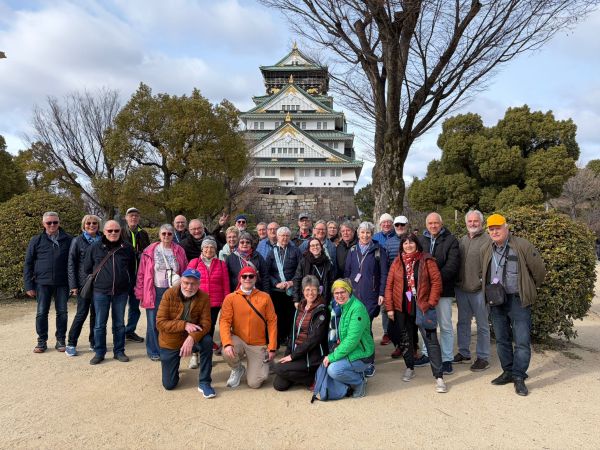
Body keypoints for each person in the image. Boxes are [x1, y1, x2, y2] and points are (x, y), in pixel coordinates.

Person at [482, 214, 546, 396]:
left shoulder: (522, 245)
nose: (495, 232)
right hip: (496, 300)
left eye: (498, 228)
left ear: (506, 227)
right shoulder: (487, 248)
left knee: (522, 341)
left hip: (518, 299)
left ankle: (519, 376)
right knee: (501, 338)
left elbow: (539, 271)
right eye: (491, 229)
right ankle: (508, 371)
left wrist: (528, 288)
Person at [384, 234, 447, 393]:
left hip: (422, 306)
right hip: (402, 308)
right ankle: (410, 367)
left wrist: (431, 302)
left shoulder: (427, 260)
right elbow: (389, 286)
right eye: (405, 243)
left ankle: (439, 376)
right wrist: (390, 307)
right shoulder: (397, 262)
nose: (408, 245)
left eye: (411, 242)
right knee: (406, 340)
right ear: (402, 246)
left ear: (417, 244)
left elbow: (436, 282)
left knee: (431, 340)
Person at [155, 268, 215, 398]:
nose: (189, 287)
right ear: (181, 282)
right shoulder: (169, 294)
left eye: (193, 284)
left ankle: (204, 382)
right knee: (169, 385)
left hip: (191, 337)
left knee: (207, 341)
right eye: (186, 283)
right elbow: (160, 322)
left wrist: (192, 338)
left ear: (199, 284)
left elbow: (206, 324)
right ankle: (173, 364)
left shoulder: (204, 297)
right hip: (170, 341)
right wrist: (184, 325)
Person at [84, 220, 136, 365]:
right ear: (104, 231)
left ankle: (119, 351)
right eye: (110, 231)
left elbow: (132, 269)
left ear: (120, 231)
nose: (113, 233)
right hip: (100, 291)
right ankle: (99, 352)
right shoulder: (94, 247)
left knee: (119, 324)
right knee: (100, 324)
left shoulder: (127, 247)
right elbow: (87, 268)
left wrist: (128, 284)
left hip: (121, 292)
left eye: (116, 230)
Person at [135, 224, 188, 361]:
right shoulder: (150, 250)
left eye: (169, 234)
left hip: (174, 290)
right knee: (153, 322)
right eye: (163, 233)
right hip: (155, 290)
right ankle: (153, 350)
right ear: (159, 235)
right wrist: (140, 292)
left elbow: (184, 269)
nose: (166, 236)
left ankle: (170, 347)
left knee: (173, 320)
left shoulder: (179, 250)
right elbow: (141, 273)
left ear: (172, 235)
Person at [220, 266, 278, 389]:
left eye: (251, 276)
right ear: (240, 279)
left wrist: (272, 347)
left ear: (255, 278)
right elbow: (224, 321)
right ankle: (237, 368)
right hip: (239, 339)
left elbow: (272, 322)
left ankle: (266, 361)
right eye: (244, 276)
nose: (247, 278)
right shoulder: (230, 298)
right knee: (226, 351)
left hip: (258, 343)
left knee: (255, 383)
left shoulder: (265, 297)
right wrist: (227, 343)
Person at [24, 211, 73, 353]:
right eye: (49, 222)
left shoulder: (69, 239)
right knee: (41, 312)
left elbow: (74, 262)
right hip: (42, 283)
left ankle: (61, 340)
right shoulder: (36, 240)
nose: (52, 225)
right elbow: (28, 263)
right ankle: (41, 341)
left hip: (62, 283)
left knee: (62, 312)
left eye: (55, 222)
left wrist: (74, 284)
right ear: (43, 224)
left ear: (59, 223)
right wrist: (28, 285)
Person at [344, 221, 388, 376]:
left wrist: (381, 293)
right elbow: (348, 272)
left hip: (371, 295)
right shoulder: (352, 250)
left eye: (368, 232)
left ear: (372, 234)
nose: (365, 235)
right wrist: (346, 293)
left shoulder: (378, 250)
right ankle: (358, 356)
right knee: (355, 327)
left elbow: (384, 274)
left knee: (365, 327)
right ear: (358, 234)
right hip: (354, 295)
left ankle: (369, 361)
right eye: (362, 232)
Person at [417, 213, 460, 374]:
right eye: (430, 223)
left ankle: (447, 358)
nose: (433, 226)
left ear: (441, 224)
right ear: (426, 224)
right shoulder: (421, 240)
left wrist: (434, 281)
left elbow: (452, 265)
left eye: (436, 223)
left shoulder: (451, 240)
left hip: (443, 290)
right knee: (426, 323)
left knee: (445, 325)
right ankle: (427, 354)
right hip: (424, 292)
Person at [272, 275, 330, 391]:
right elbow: (293, 334)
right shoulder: (301, 307)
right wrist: (287, 355)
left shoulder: (322, 310)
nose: (310, 293)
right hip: (298, 352)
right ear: (303, 291)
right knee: (279, 385)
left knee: (278, 368)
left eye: (314, 289)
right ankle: (305, 376)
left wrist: (293, 356)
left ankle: (311, 378)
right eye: (307, 289)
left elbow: (314, 339)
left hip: (312, 356)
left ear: (318, 291)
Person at [322, 279, 375, 398]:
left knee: (333, 370)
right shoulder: (343, 306)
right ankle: (356, 376)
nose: (339, 296)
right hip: (354, 350)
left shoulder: (357, 308)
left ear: (349, 291)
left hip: (363, 354)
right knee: (329, 363)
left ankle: (359, 382)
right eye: (336, 293)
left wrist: (333, 356)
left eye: (343, 292)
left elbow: (352, 340)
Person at [454, 210, 492, 371]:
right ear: (466, 223)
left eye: (475, 221)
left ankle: (483, 357)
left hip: (479, 291)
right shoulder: (462, 240)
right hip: (462, 289)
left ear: (481, 222)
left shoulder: (488, 240)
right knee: (463, 323)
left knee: (482, 325)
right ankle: (464, 353)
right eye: (470, 221)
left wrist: (483, 282)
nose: (472, 224)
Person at [187, 238, 230, 364]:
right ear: (202, 248)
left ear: (215, 250)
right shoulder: (194, 262)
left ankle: (206, 355)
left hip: (215, 303)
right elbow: (187, 282)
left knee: (209, 329)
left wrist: (226, 301)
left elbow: (226, 284)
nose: (209, 249)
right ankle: (194, 354)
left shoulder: (221, 264)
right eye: (206, 247)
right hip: (197, 302)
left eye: (212, 247)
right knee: (195, 327)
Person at [65, 214, 102, 356]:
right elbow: (71, 264)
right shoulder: (77, 241)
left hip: (100, 283)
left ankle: (94, 341)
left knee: (96, 314)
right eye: (88, 223)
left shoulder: (103, 239)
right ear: (84, 225)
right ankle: (71, 342)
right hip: (83, 283)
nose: (91, 225)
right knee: (81, 313)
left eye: (94, 223)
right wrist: (73, 285)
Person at [265, 227, 302, 347]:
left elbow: (300, 269)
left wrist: (292, 282)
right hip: (277, 290)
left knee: (290, 316)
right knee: (277, 315)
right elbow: (267, 271)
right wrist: (276, 283)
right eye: (282, 235)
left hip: (291, 289)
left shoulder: (295, 251)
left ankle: (289, 339)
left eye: (287, 236)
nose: (284, 238)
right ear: (277, 237)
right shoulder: (272, 252)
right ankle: (277, 338)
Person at [121, 207, 150, 343]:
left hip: (138, 276)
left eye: (136, 215)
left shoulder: (143, 234)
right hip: (123, 276)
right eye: (131, 215)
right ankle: (119, 332)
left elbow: (148, 253)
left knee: (134, 306)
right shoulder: (120, 232)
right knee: (120, 307)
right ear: (126, 218)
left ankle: (130, 331)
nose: (133, 217)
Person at [293, 237, 335, 306]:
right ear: (309, 248)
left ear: (321, 247)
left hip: (323, 297)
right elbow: (297, 280)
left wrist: (331, 299)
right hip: (307, 297)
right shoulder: (304, 262)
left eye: (317, 245)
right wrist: (296, 300)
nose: (315, 247)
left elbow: (331, 282)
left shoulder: (327, 262)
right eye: (312, 245)